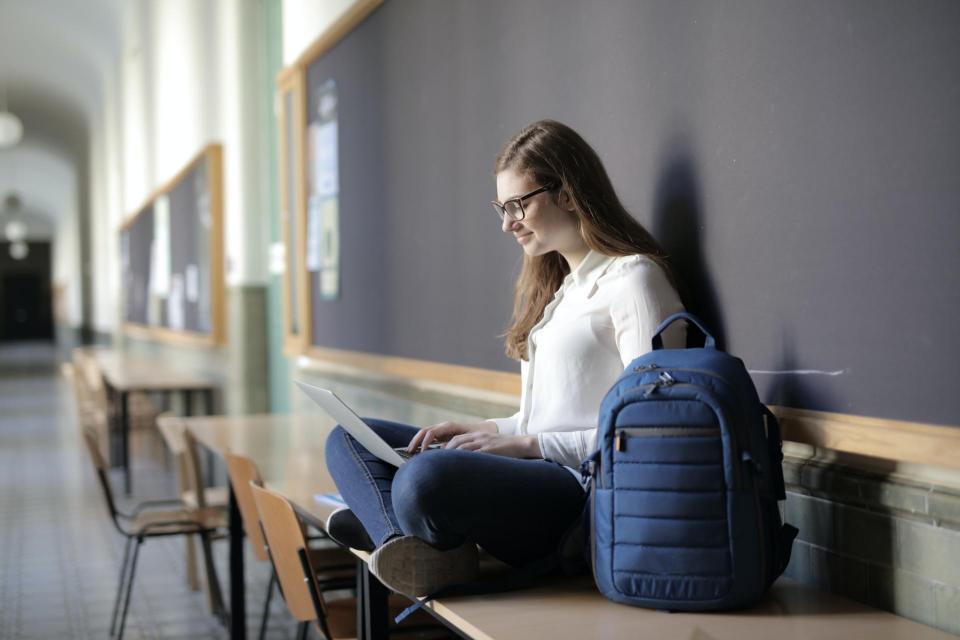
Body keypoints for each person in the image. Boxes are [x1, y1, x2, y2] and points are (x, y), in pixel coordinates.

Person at [324, 119, 686, 598]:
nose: (506, 222)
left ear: (569, 193)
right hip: (537, 468)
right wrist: (487, 431)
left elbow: (652, 430)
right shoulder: (561, 292)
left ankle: (401, 525)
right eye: (502, 207)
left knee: (423, 479)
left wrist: (528, 447)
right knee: (346, 437)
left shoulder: (633, 281)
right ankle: (409, 544)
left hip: (583, 493)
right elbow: (542, 418)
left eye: (517, 205)